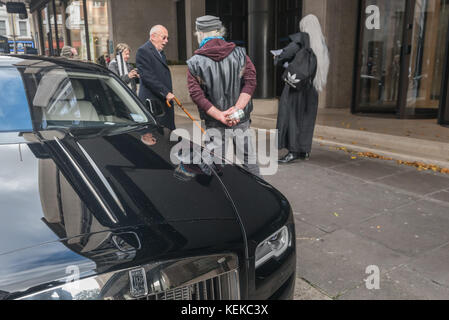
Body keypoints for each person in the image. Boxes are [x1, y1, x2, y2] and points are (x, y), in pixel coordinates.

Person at [187, 15, 260, 177]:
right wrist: (236, 111)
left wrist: (220, 115)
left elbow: (196, 94)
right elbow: (250, 81)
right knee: (249, 160)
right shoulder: (241, 55)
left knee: (213, 163)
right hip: (240, 119)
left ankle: (217, 199)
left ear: (200, 33)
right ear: (220, 31)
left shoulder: (195, 62)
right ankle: (262, 196)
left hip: (215, 122)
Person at [276, 14, 329, 163]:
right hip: (312, 88)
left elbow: (284, 55)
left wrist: (281, 60)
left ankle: (292, 151)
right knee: (307, 119)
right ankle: (303, 151)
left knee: (292, 117)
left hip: (296, 87)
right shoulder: (322, 45)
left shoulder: (301, 40)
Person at [136, 25, 175, 130]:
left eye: (167, 38)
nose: (166, 41)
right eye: (164, 37)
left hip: (163, 103)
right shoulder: (143, 51)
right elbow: (147, 77)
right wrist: (165, 92)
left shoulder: (160, 52)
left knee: (168, 136)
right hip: (153, 105)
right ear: (153, 36)